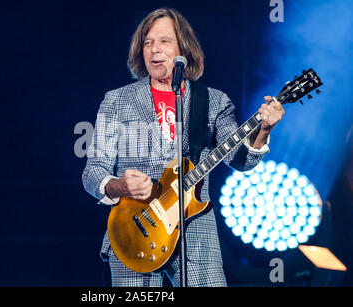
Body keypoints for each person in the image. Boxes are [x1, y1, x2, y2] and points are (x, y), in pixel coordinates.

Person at [82, 8, 284, 287]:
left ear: (183, 49)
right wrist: (119, 186)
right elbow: (93, 171)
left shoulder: (212, 101)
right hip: (135, 230)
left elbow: (240, 161)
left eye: (164, 41)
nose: (154, 49)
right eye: (147, 42)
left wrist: (263, 130)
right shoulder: (117, 101)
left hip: (196, 231)